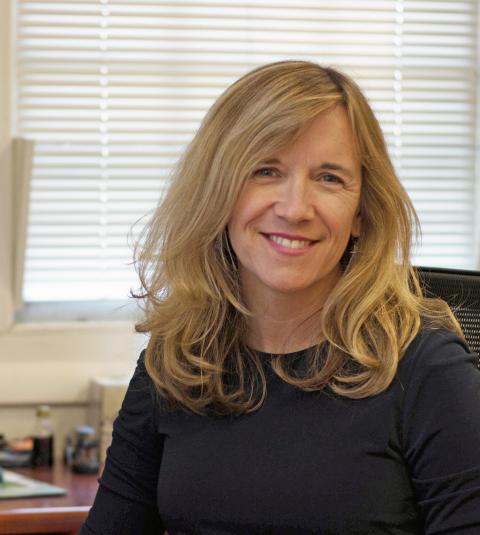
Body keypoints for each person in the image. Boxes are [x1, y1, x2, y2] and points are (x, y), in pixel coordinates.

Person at [80, 61, 480, 534]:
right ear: (218, 193)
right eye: (266, 170)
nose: (294, 209)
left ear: (360, 213)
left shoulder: (426, 371)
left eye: (329, 178)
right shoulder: (177, 362)